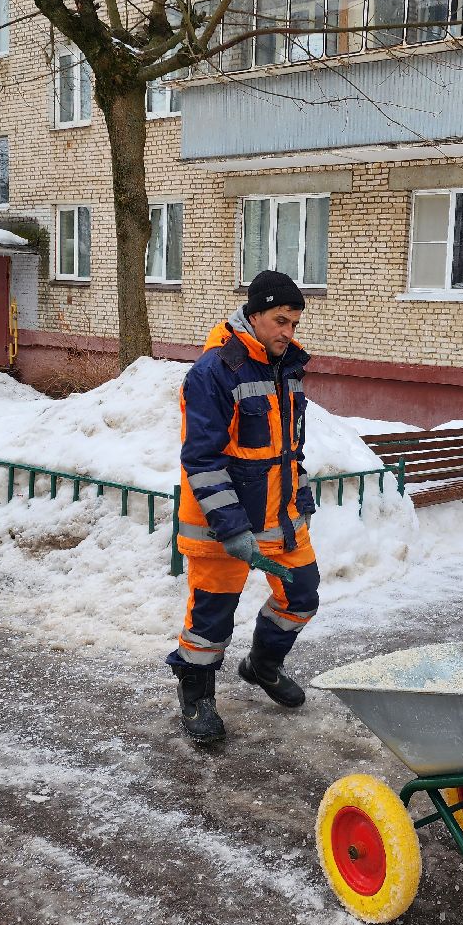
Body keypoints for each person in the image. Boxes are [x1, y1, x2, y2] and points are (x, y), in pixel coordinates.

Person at [167, 270, 320, 746]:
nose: (288, 333)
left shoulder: (286, 367)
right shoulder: (215, 371)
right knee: (211, 619)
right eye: (280, 320)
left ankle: (262, 665)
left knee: (302, 598)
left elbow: (288, 449)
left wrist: (302, 499)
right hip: (222, 530)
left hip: (280, 521)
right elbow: (202, 459)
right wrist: (231, 526)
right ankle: (196, 698)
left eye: (294, 323)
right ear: (253, 315)